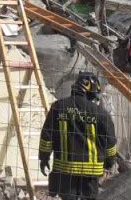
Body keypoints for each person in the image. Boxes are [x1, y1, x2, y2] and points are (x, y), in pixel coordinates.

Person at [39, 72, 117, 200]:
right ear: (91, 91)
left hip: (65, 170)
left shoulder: (58, 107)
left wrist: (44, 158)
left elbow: (47, 136)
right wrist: (109, 162)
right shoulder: (101, 114)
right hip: (91, 173)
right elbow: (110, 142)